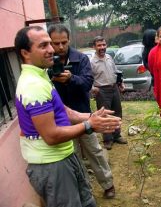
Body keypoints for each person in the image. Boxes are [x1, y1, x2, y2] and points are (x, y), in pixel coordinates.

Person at [14, 26, 121, 207]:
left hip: (63, 157)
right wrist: (89, 124)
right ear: (25, 53)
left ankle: (107, 184)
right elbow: (51, 135)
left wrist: (91, 116)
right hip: (52, 164)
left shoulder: (41, 76)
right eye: (44, 45)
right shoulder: (33, 85)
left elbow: (63, 110)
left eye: (51, 44)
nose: (52, 49)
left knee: (86, 198)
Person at [48, 24, 116, 199]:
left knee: (94, 151)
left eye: (64, 42)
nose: (60, 47)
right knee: (74, 156)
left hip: (82, 114)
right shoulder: (47, 62)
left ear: (69, 40)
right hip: (60, 118)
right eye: (56, 43)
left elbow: (87, 84)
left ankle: (108, 184)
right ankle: (84, 190)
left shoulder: (80, 59)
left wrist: (71, 78)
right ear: (50, 42)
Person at [90, 36, 127, 150]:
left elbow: (116, 72)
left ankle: (117, 135)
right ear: (94, 47)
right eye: (99, 45)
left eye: (104, 45)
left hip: (114, 88)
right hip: (102, 91)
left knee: (117, 113)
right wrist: (92, 88)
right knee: (105, 115)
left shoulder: (109, 57)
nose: (102, 47)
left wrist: (121, 83)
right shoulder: (92, 62)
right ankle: (107, 139)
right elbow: (88, 78)